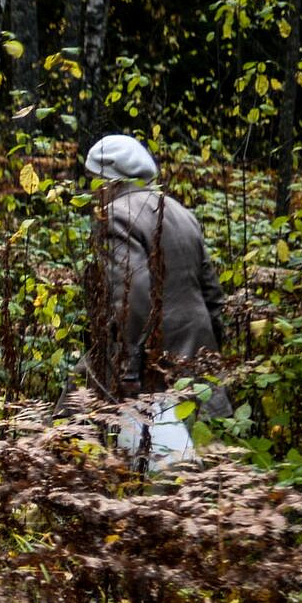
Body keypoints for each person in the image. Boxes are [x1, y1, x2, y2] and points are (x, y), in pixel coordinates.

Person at [81, 133, 230, 421]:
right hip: (198, 359)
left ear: (108, 178)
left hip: (152, 366)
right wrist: (212, 352)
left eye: (93, 179)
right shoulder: (181, 212)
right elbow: (212, 294)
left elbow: (132, 297)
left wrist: (129, 368)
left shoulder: (115, 216)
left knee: (75, 429)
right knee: (203, 453)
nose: (92, 190)